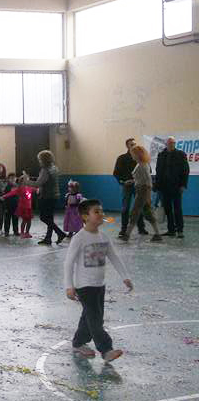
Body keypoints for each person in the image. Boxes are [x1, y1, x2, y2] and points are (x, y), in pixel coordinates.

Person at [64, 198, 132, 365]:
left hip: (99, 285)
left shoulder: (103, 237)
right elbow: (68, 263)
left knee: (89, 316)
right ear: (85, 216)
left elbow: (114, 257)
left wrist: (125, 276)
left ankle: (78, 342)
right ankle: (106, 350)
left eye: (101, 211)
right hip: (84, 286)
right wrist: (69, 286)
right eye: (96, 211)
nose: (101, 214)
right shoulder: (79, 238)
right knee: (95, 319)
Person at [119, 145, 162, 242]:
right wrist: (133, 181)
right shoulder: (143, 164)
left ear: (137, 154)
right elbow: (143, 179)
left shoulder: (142, 165)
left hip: (142, 190)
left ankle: (127, 235)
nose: (132, 155)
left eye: (133, 153)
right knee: (148, 212)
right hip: (142, 189)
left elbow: (147, 180)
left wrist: (147, 192)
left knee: (135, 212)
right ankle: (157, 234)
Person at [24, 150, 67, 246]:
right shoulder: (54, 168)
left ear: (43, 160)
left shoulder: (45, 170)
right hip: (54, 195)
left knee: (43, 217)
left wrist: (26, 181)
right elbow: (45, 180)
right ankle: (48, 238)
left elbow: (38, 183)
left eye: (40, 159)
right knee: (50, 218)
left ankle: (60, 233)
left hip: (47, 196)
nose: (39, 161)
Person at [155, 137, 190, 238]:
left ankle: (180, 230)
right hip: (164, 187)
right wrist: (157, 186)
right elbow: (158, 170)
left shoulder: (181, 154)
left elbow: (185, 170)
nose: (171, 144)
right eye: (169, 143)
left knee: (177, 209)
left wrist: (183, 185)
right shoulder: (161, 155)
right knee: (167, 209)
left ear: (175, 144)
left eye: (173, 143)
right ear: (166, 144)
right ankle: (171, 230)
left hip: (177, 187)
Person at [113, 137, 146, 238]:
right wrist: (123, 181)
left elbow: (147, 171)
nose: (134, 146)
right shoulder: (121, 158)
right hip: (127, 186)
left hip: (139, 186)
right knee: (125, 208)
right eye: (131, 144)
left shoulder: (140, 158)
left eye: (135, 144)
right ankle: (123, 230)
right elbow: (116, 173)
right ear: (127, 146)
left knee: (139, 207)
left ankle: (141, 228)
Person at [1, 172, 20, 236]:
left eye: (14, 178)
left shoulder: (17, 186)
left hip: (16, 205)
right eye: (11, 178)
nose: (13, 179)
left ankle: (16, 231)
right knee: (7, 219)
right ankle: (6, 231)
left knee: (15, 219)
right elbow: (5, 196)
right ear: (8, 179)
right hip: (8, 206)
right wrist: (5, 207)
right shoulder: (7, 186)